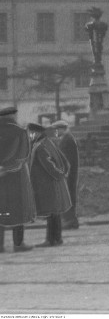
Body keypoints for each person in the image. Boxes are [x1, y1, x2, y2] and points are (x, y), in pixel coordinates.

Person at [28, 122, 71, 247]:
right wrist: (62, 175)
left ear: (37, 133)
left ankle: (50, 240)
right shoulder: (48, 142)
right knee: (54, 212)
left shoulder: (40, 146)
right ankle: (57, 239)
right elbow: (64, 162)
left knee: (50, 212)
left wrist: (59, 175)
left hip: (46, 185)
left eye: (32, 133)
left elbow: (49, 166)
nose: (30, 135)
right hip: (51, 183)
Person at [0, 107, 36, 253]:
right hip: (15, 176)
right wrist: (7, 168)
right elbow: (23, 155)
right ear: (13, 116)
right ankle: (18, 244)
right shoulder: (20, 132)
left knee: (1, 210)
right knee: (18, 209)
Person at [52, 120, 80, 229]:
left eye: (57, 129)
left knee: (68, 197)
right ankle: (71, 220)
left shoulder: (67, 140)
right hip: (69, 174)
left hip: (68, 175)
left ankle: (70, 221)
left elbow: (66, 160)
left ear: (62, 129)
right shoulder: (67, 139)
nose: (55, 132)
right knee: (68, 196)